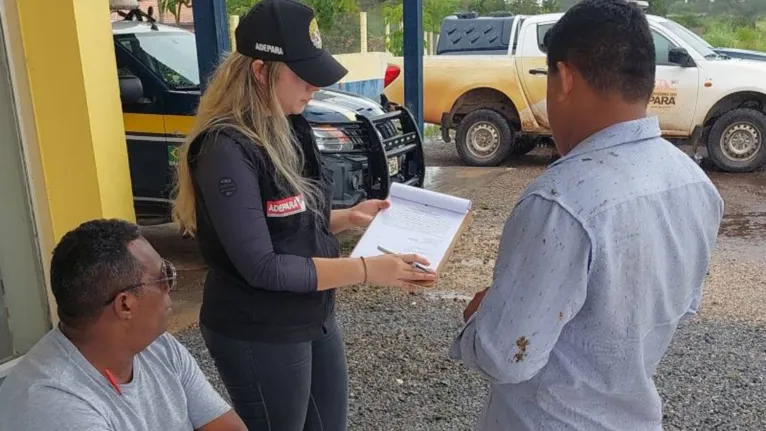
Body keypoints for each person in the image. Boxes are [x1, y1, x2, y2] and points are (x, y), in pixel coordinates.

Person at [449, 0, 724, 430]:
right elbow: (677, 308)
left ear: (565, 78)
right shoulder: (693, 183)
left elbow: (505, 357)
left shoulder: (560, 201)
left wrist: (483, 315)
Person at [170, 0, 436, 429]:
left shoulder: (290, 123)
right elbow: (263, 266)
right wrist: (367, 270)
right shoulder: (226, 149)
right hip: (259, 327)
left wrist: (347, 217)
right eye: (302, 73)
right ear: (260, 71)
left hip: (311, 312)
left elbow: (288, 217)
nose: (314, 85)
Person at [0, 219, 246, 431]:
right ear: (125, 305)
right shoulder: (54, 406)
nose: (170, 286)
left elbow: (227, 426)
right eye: (165, 276)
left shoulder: (158, 347)